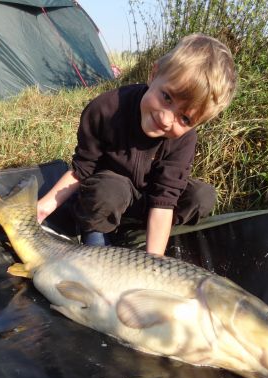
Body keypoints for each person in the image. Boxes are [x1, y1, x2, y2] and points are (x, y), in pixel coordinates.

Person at [37, 33, 236, 255]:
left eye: (185, 119)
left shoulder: (185, 139)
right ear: (154, 74)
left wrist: (153, 262)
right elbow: (82, 170)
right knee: (109, 191)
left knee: (203, 197)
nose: (166, 119)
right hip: (108, 192)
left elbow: (164, 201)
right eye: (167, 97)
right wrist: (44, 207)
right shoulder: (105, 109)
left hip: (149, 200)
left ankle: (135, 231)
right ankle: (97, 233)